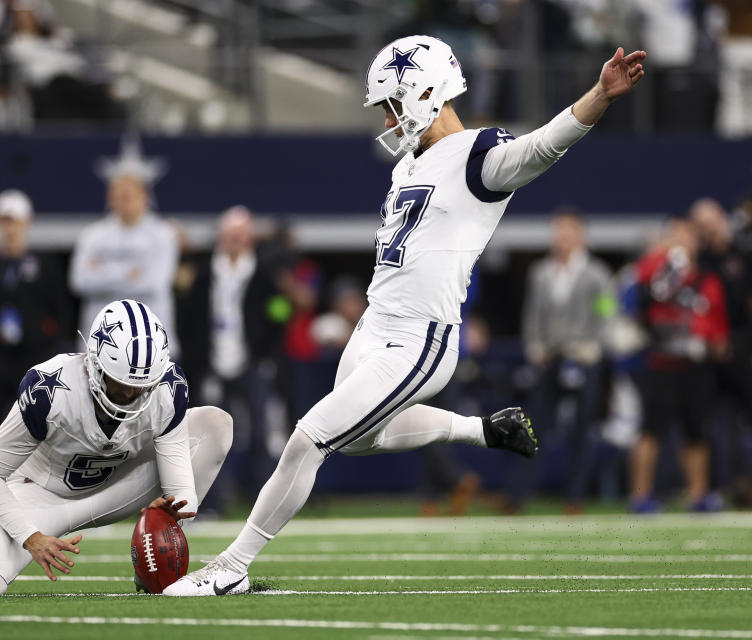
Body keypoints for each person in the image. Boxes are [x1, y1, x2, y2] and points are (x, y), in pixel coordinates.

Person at [165, 35, 646, 596]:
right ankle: (484, 428)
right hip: (374, 327)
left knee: (309, 438)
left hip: (420, 339)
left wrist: (600, 95)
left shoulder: (479, 156)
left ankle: (232, 567)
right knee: (355, 439)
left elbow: (542, 147)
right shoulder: (407, 168)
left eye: (393, 103)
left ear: (426, 91)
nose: (390, 119)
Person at [0, 299, 232, 596]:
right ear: (94, 362)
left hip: (121, 489)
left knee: (216, 424)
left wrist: (169, 511)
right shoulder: (50, 390)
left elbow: (183, 490)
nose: (130, 393)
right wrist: (30, 536)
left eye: (141, 385)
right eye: (119, 381)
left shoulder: (167, 387)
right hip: (41, 496)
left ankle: (155, 568)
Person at [511, 211, 614, 512]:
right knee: (536, 425)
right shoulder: (541, 272)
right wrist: (535, 345)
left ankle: (575, 496)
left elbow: (607, 311)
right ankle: (518, 494)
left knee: (583, 428)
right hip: (551, 358)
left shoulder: (597, 273)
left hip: (585, 358)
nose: (562, 239)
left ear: (581, 236)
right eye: (558, 233)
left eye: (568, 233)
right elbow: (532, 314)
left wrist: (596, 346)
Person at [179, 206, 283, 499]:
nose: (235, 241)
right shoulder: (202, 274)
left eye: (241, 235)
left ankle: (262, 501)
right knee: (210, 437)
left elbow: (278, 313)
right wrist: (198, 357)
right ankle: (212, 501)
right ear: (220, 238)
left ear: (250, 238)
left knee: (261, 433)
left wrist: (265, 352)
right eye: (230, 235)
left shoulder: (263, 274)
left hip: (251, 362)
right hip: (212, 363)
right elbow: (188, 319)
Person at [628, 219, 729, 513]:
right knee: (651, 430)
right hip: (661, 362)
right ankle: (641, 496)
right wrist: (661, 255)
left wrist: (715, 340)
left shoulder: (707, 279)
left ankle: (699, 496)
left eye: (686, 235)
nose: (680, 240)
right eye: (674, 235)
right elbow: (642, 285)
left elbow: (717, 320)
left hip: (695, 365)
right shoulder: (657, 268)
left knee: (696, 431)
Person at [0, 189, 71, 442]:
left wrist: (48, 343)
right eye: (4, 222)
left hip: (34, 357)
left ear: (27, 223)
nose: (10, 229)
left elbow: (60, 308)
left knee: (37, 417)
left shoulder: (45, 265)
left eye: (15, 222)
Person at [69, 163, 178, 344]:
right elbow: (79, 281)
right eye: (117, 195)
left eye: (128, 195)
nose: (123, 201)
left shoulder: (163, 235)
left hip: (149, 343)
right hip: (101, 343)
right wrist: (128, 273)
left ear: (145, 197)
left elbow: (153, 283)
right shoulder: (92, 235)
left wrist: (102, 273)